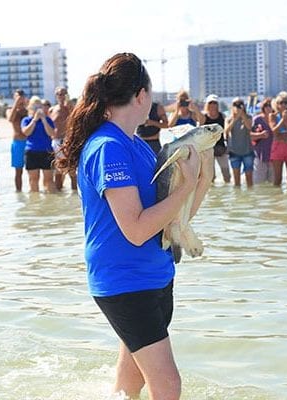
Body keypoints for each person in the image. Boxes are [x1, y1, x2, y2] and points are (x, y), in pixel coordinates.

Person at [56, 53, 209, 400]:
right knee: (168, 384)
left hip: (156, 275)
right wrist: (184, 187)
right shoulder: (107, 148)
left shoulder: (138, 146)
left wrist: (199, 178)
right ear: (140, 95)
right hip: (124, 282)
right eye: (151, 95)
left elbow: (172, 218)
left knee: (132, 382)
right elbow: (136, 229)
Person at [21, 96, 56, 193]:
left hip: (46, 151)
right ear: (31, 107)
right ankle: (35, 204)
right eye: (34, 106)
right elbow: (26, 132)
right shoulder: (26, 120)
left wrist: (44, 119)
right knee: (33, 180)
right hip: (32, 152)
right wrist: (34, 120)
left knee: (49, 180)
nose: (37, 109)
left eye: (39, 106)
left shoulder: (48, 120)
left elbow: (51, 133)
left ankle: (50, 203)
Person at [49, 87, 76, 190]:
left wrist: (69, 106)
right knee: (58, 169)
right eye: (59, 94)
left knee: (72, 170)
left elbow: (75, 118)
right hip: (55, 141)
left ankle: (74, 192)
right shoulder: (52, 110)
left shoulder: (70, 108)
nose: (62, 96)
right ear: (56, 96)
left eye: (64, 94)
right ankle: (59, 192)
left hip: (67, 140)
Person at [224, 97, 253, 187]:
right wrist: (235, 118)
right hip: (234, 151)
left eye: (240, 104)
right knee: (236, 180)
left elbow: (249, 127)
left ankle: (250, 196)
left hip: (247, 151)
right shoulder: (228, 119)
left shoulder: (248, 117)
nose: (238, 107)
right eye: (235, 105)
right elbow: (226, 131)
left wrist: (242, 115)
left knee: (249, 178)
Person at [203, 94, 231, 183]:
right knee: (211, 177)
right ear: (207, 104)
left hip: (221, 147)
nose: (212, 105)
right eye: (210, 102)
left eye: (214, 103)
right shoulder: (204, 117)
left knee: (226, 175)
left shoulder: (222, 116)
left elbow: (227, 132)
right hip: (208, 148)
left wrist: (228, 146)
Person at [7, 89, 29, 192]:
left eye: (21, 97)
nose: (19, 99)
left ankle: (32, 192)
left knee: (31, 170)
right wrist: (16, 104)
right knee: (18, 170)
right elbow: (10, 119)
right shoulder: (10, 110)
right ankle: (18, 192)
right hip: (18, 142)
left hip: (28, 142)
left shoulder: (28, 110)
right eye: (17, 97)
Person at [251, 97, 274, 184]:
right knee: (258, 183)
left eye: (270, 105)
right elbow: (249, 135)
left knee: (274, 183)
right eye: (266, 105)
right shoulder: (257, 119)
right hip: (260, 154)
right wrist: (260, 135)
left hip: (274, 155)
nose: (268, 107)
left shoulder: (276, 118)